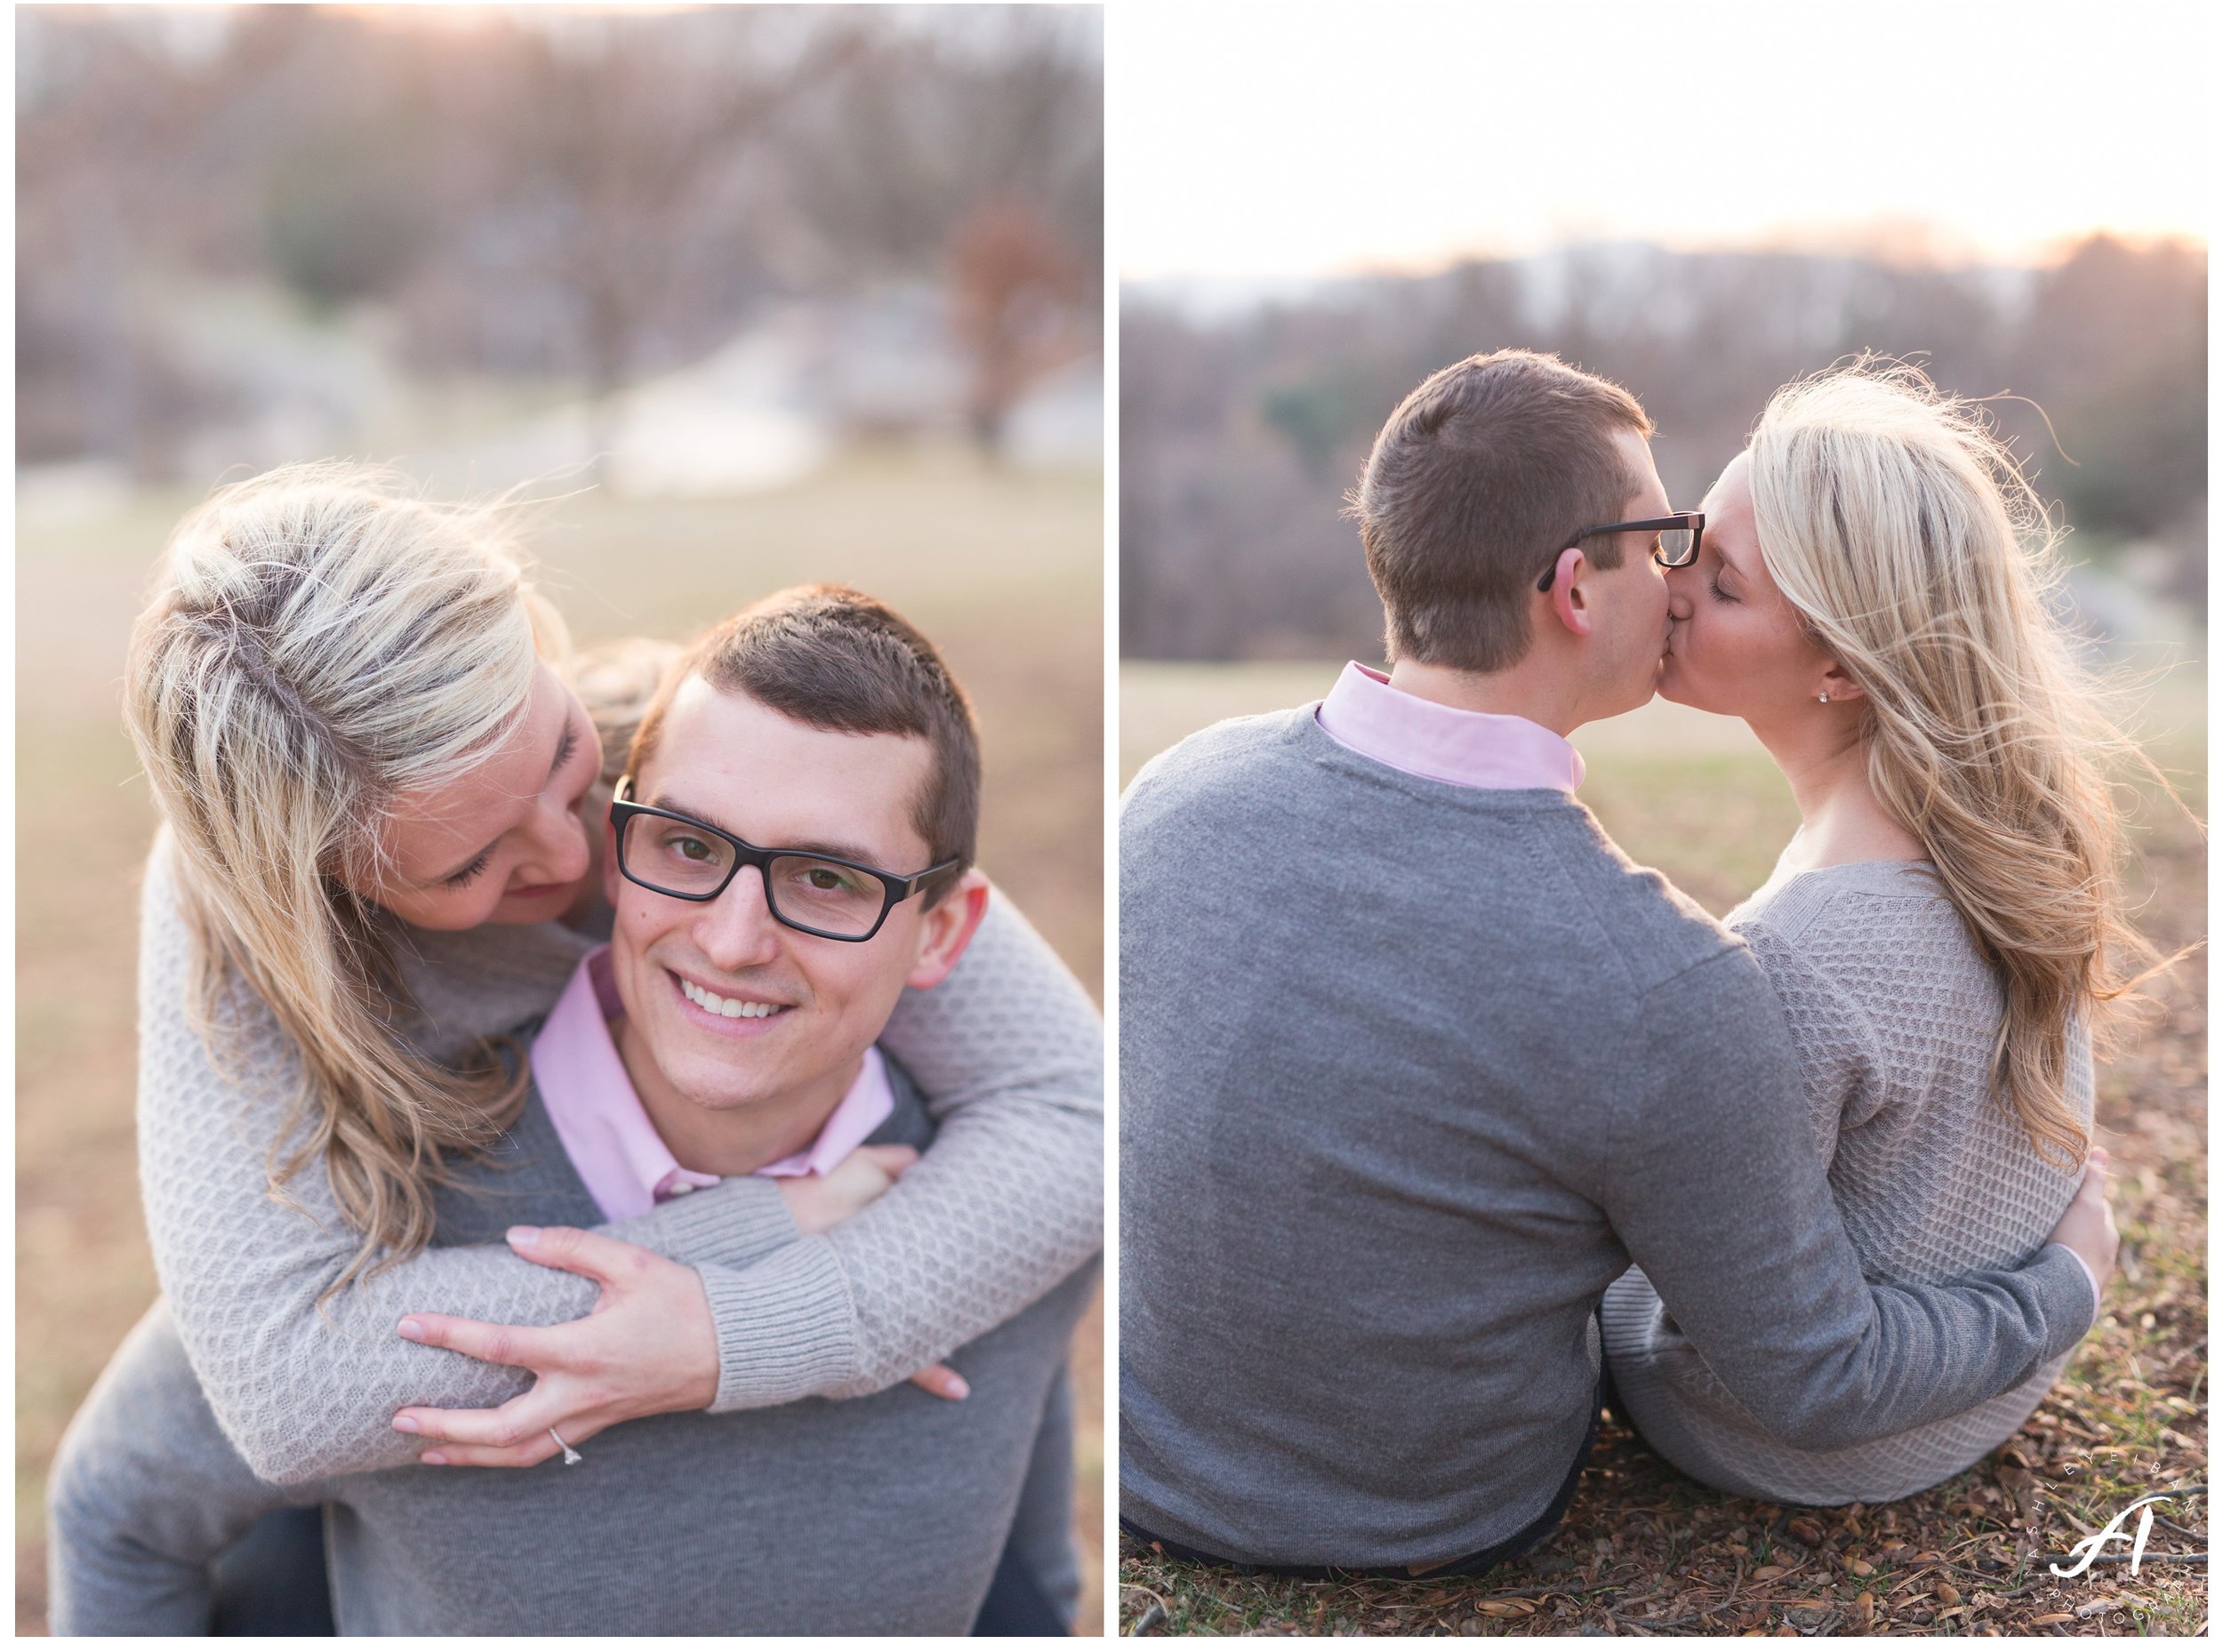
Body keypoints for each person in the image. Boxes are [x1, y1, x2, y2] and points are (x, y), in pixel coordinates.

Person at [1118, 349, 2117, 1576]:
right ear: (1574, 593)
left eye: (1706, 558)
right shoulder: (1671, 978)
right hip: (1441, 1518)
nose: (1680, 577)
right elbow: (1813, 1357)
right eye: (1664, 539)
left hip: (1147, 1462)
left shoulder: (1164, 791)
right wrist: (2063, 1283)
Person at [47, 468, 1101, 1629]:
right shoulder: (242, 936)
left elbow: (1080, 1115)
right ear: (327, 882)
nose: (574, 846)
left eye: (559, 759)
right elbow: (283, 1387)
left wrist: (741, 1330)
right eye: (469, 863)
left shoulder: (687, 756)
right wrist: (746, 1238)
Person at [1597, 361, 2155, 1504]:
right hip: (1989, 1390)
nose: (1670, 589)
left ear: (1842, 667)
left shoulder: (1795, 953)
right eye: (1686, 542)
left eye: (1727, 584)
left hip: (1794, 1434)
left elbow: (1772, 1355)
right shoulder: (1998, 839)